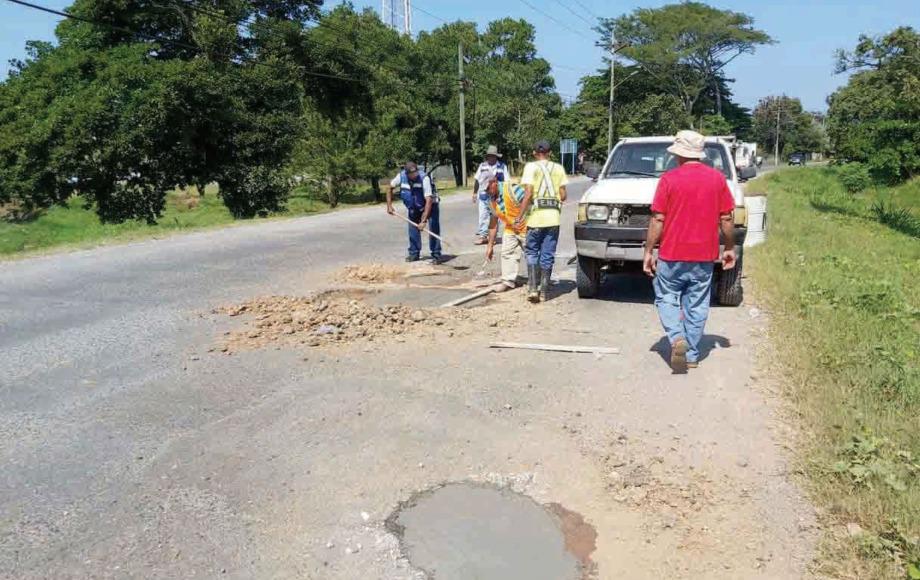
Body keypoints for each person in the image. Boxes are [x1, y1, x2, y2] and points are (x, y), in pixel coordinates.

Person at [643, 130, 737, 373]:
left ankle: (676, 338)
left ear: (678, 154)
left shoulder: (669, 180)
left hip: (672, 254)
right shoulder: (717, 179)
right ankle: (692, 355)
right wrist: (729, 248)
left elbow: (658, 219)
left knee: (666, 297)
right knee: (697, 303)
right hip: (704, 256)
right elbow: (726, 218)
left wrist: (648, 251)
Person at [516, 140, 568, 303]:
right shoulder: (558, 168)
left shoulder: (530, 167)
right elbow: (563, 195)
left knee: (532, 252)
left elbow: (529, 192)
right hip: (553, 219)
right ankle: (544, 291)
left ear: (534, 153)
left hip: (536, 218)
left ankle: (532, 288)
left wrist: (520, 215)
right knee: (547, 254)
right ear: (550, 152)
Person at [386, 162, 442, 263]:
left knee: (433, 228)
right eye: (411, 174)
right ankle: (414, 253)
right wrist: (389, 206)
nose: (414, 175)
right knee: (413, 229)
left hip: (430, 205)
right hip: (414, 206)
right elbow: (389, 188)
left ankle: (436, 254)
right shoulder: (401, 177)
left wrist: (423, 221)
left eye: (415, 172)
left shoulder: (424, 178)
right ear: (406, 173)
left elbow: (429, 200)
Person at [484, 177, 527, 292]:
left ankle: (539, 280)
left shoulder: (512, 189)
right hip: (511, 229)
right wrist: (490, 246)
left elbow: (530, 200)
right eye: (485, 190)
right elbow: (493, 224)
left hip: (527, 228)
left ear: (494, 182)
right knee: (507, 253)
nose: (488, 191)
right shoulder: (491, 201)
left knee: (532, 255)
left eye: (488, 188)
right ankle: (507, 281)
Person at [472, 145, 507, 245]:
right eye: (489, 156)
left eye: (493, 156)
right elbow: (477, 180)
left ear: (496, 157)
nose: (491, 158)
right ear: (487, 157)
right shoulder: (482, 166)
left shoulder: (502, 167)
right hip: (484, 194)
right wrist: (475, 193)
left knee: (495, 216)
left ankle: (493, 237)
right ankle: (483, 236)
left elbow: (507, 182)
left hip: (497, 196)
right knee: (483, 215)